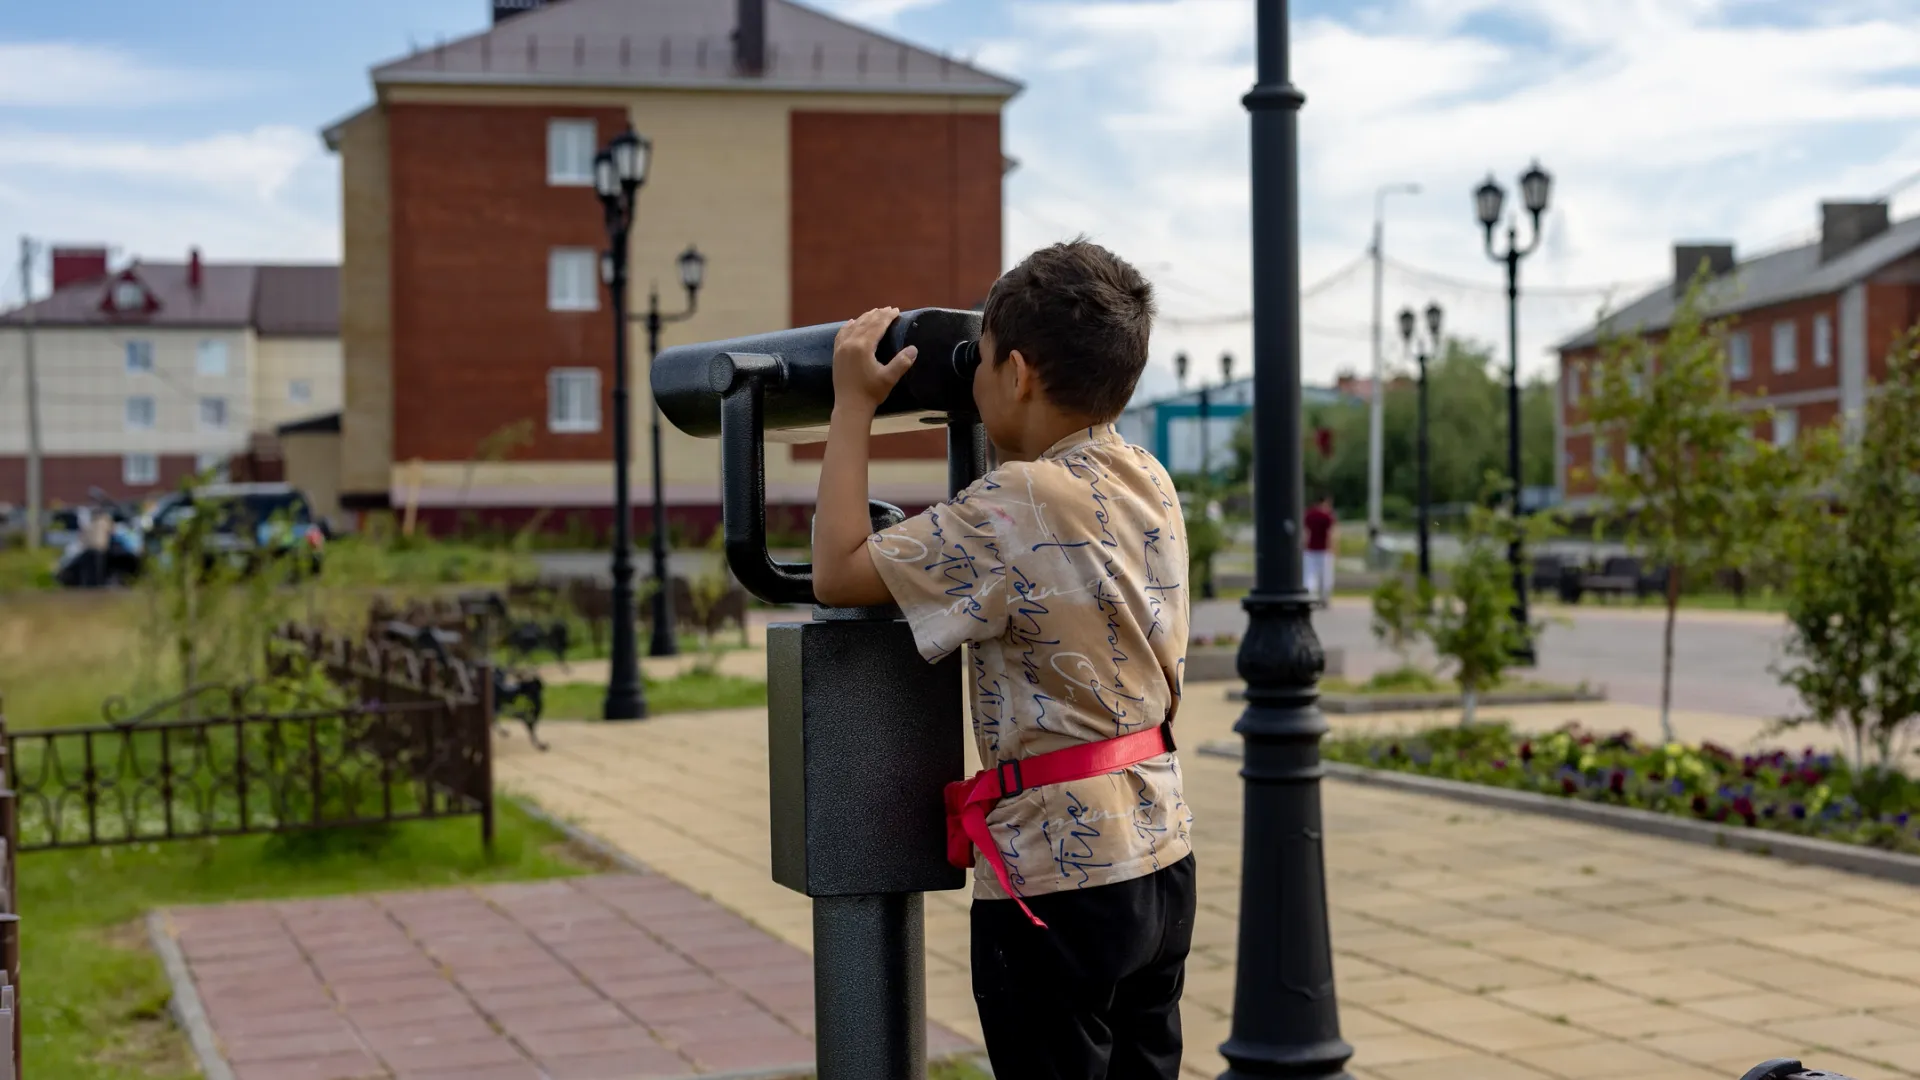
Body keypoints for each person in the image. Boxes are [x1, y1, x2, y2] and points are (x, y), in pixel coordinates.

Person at [811, 239, 1196, 1080]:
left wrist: (851, 406)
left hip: (1059, 875)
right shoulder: (1147, 477)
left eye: (978, 362)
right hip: (1160, 852)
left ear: (1017, 372)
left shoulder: (1011, 506)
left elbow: (838, 565)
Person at [1303, 495, 1336, 606]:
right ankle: (1324, 598)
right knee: (1325, 576)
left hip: (1309, 550)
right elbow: (1331, 534)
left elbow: (1305, 532)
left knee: (1309, 575)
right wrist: (1333, 548)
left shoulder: (1308, 514)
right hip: (1324, 550)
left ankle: (1310, 596)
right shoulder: (1327, 516)